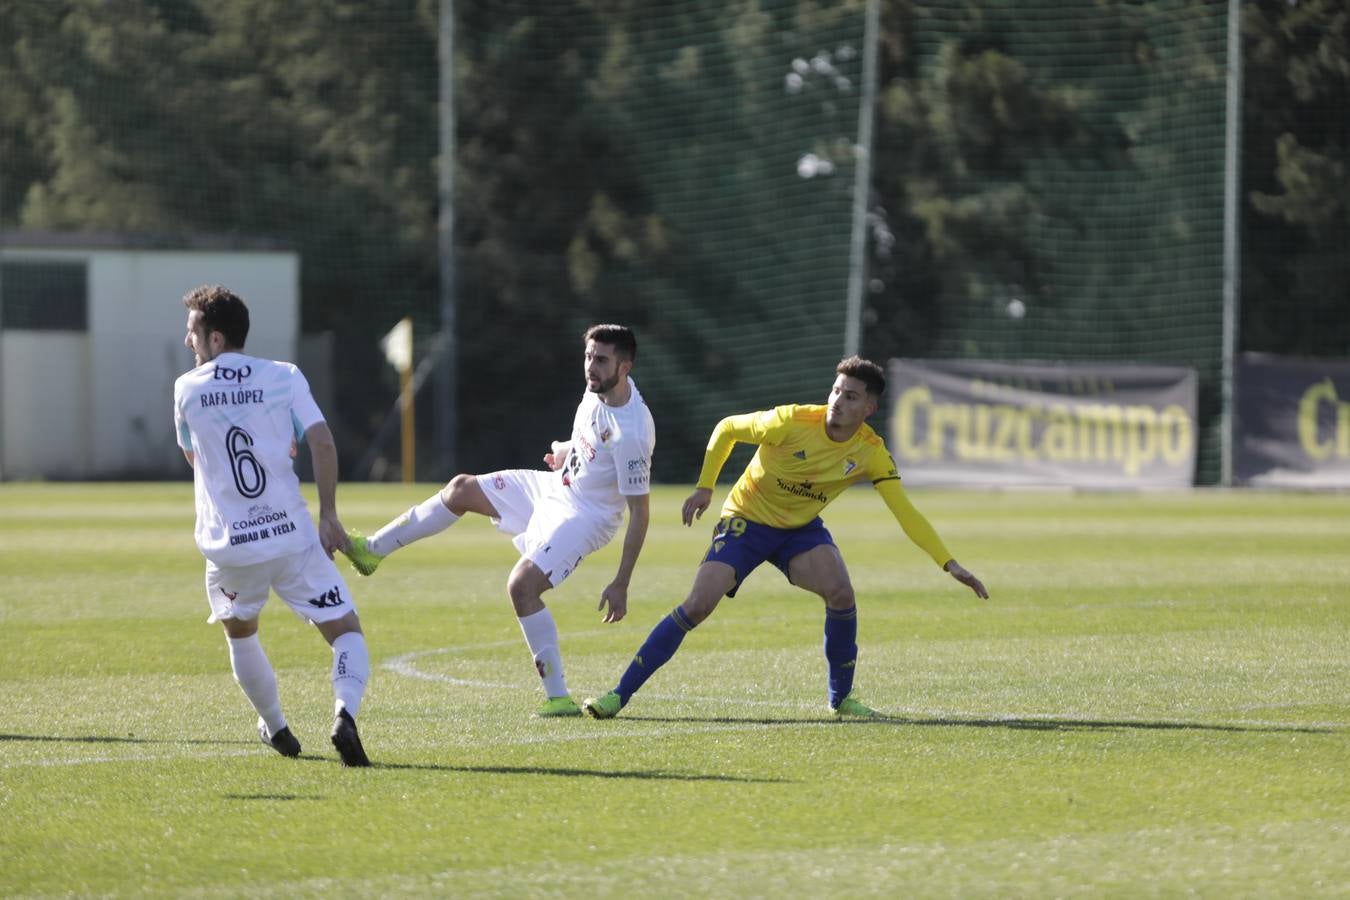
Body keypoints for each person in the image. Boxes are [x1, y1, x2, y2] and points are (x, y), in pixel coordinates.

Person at [583, 355, 988, 720]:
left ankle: (841, 700)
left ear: (869, 408)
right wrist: (706, 487)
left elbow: (906, 512)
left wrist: (949, 563)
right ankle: (618, 695)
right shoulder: (791, 421)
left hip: (799, 531)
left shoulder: (871, 453)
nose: (837, 401)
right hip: (746, 520)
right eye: (835, 391)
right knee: (698, 605)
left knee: (842, 594)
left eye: (850, 397)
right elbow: (727, 429)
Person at [342, 324, 655, 717]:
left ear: (624, 367)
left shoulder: (633, 433)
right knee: (460, 489)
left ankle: (557, 697)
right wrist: (564, 450)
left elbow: (640, 512)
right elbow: (590, 438)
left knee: (522, 587)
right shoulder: (599, 389)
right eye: (589, 356)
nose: (590, 366)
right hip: (555, 486)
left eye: (601, 360)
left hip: (586, 516)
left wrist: (622, 582)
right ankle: (372, 551)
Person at [173, 285, 371, 766]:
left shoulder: (187, 388)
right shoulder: (284, 376)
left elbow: (191, 456)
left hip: (230, 548)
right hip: (291, 538)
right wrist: (328, 515)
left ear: (216, 339)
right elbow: (322, 442)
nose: (188, 342)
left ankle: (277, 726)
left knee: (241, 634)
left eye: (193, 331)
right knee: (346, 631)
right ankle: (344, 713)